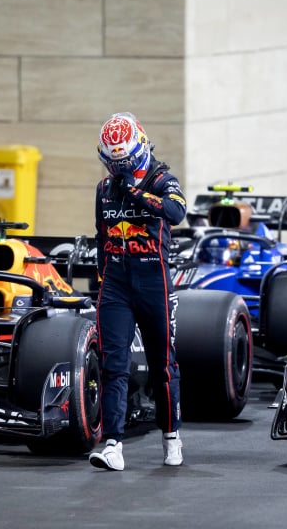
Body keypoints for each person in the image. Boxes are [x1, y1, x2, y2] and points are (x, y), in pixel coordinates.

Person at [88, 112, 187, 471]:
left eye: (124, 161)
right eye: (113, 163)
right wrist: (102, 276)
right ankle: (113, 443)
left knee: (163, 365)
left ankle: (171, 435)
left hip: (154, 282)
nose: (119, 168)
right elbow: (101, 236)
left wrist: (137, 193)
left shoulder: (163, 179)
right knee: (114, 364)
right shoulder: (103, 190)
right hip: (115, 283)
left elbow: (177, 212)